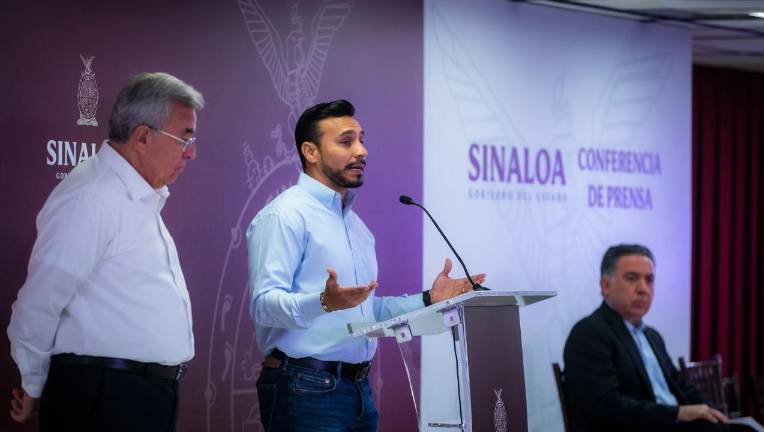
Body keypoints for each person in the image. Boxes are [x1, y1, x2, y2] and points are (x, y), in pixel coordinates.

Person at [247, 99, 485, 431]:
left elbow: (366, 311)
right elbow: (263, 306)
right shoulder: (285, 216)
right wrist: (323, 302)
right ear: (310, 152)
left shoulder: (357, 228)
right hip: (304, 388)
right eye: (346, 141)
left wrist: (430, 299)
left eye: (361, 139)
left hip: (358, 391)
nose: (362, 151)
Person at [7, 72, 204, 431]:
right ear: (142, 137)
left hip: (138, 395)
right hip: (105, 397)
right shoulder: (93, 196)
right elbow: (38, 304)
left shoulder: (133, 195)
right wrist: (34, 385)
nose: (192, 153)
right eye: (184, 138)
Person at [563, 244, 732, 432]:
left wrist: (710, 410)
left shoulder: (652, 336)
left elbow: (680, 385)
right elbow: (605, 407)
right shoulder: (589, 333)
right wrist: (678, 413)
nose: (643, 289)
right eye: (631, 278)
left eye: (649, 280)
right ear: (606, 285)